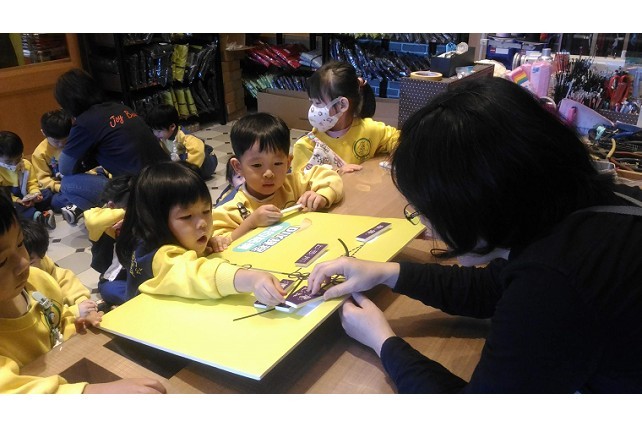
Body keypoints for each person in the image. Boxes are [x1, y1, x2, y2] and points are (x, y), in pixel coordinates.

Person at [306, 77, 642, 393]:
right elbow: (495, 287)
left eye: (427, 211)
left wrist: (383, 341)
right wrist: (386, 272)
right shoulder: (577, 211)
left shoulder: (556, 281)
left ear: (477, 203)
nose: (426, 226)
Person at [0, 193, 166, 393]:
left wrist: (74, 324)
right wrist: (89, 393)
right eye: (2, 261)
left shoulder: (37, 281)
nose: (23, 262)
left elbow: (56, 321)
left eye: (20, 244)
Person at [115, 161, 287, 306]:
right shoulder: (159, 256)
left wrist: (207, 244)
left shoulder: (172, 235)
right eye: (187, 217)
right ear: (155, 220)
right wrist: (251, 279)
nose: (202, 223)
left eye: (206, 211)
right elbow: (196, 273)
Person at [212, 112, 344, 243]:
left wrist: (322, 196)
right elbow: (219, 242)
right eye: (257, 165)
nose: (269, 173)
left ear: (288, 162)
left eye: (277, 163)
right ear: (238, 167)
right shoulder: (232, 209)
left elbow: (328, 176)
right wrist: (251, 223)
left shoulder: (293, 184)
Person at [53, 68, 169, 213]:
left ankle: (112, 217)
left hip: (141, 191)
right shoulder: (121, 108)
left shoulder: (84, 122)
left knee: (67, 184)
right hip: (167, 179)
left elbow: (65, 168)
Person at [291, 60, 400, 175]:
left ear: (342, 105)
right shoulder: (308, 145)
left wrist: (398, 152)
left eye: (318, 103)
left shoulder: (370, 130)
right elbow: (299, 181)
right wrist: (337, 173)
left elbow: (398, 139)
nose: (312, 109)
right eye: (312, 102)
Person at [20, 218, 98, 318]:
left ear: (42, 255)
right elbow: (39, 318)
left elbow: (64, 280)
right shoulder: (15, 288)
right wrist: (74, 311)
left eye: (30, 262)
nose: (23, 267)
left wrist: (82, 301)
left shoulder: (44, 263)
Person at [31, 109, 94, 225]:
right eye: (56, 141)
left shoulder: (76, 141)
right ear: (43, 133)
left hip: (84, 181)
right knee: (55, 201)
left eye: (66, 140)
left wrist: (92, 174)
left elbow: (91, 163)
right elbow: (43, 179)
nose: (61, 144)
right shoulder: (40, 153)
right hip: (62, 188)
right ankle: (84, 205)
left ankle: (80, 206)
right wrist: (58, 187)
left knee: (100, 176)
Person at [84, 175, 132, 308]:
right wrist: (129, 215)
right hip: (116, 277)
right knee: (110, 289)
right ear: (112, 206)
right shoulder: (102, 222)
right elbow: (93, 221)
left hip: (139, 273)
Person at [144, 103, 218, 179]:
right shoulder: (162, 138)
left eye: (159, 131)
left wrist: (187, 171)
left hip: (205, 162)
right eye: (153, 130)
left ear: (172, 126)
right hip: (186, 163)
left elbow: (198, 152)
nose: (155, 134)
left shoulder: (186, 138)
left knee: (183, 156)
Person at [0, 130, 56, 229]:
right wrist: (18, 200)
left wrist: (35, 193)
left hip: (26, 197)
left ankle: (32, 213)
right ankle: (38, 217)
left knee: (47, 193)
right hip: (11, 201)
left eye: (18, 159)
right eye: (9, 162)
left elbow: (32, 183)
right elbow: (3, 196)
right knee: (8, 208)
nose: (14, 164)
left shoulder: (26, 164)